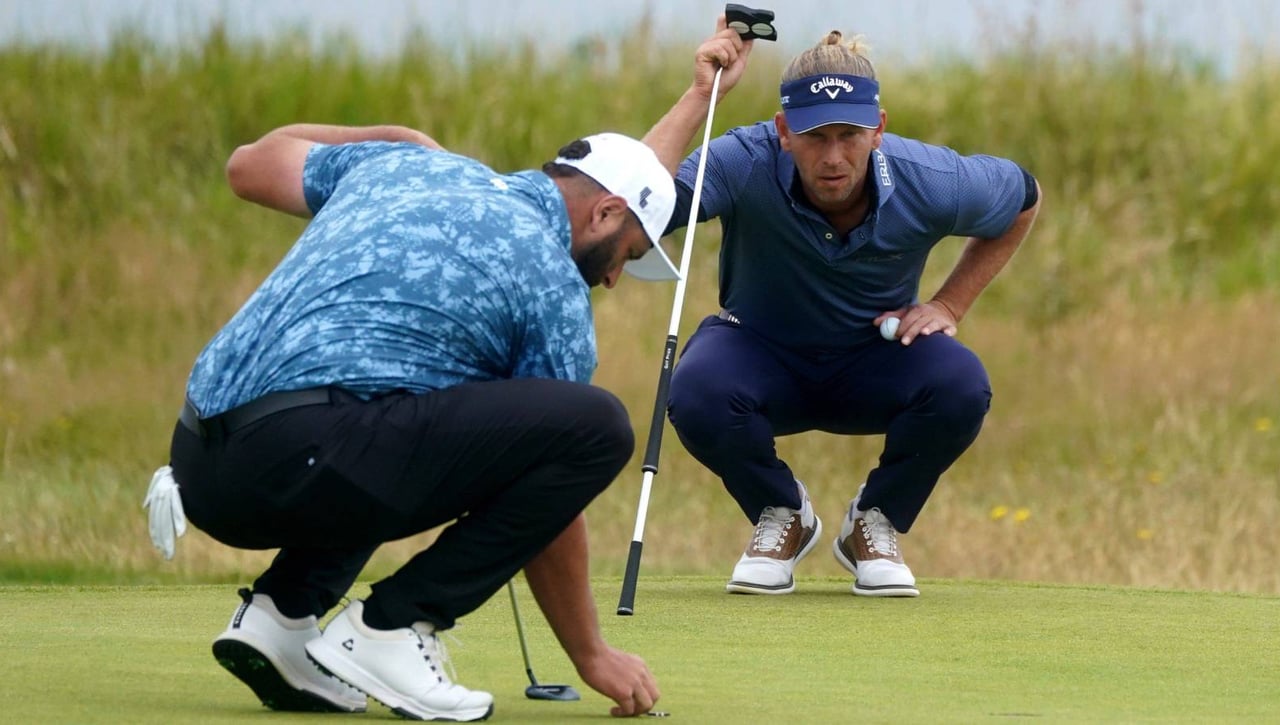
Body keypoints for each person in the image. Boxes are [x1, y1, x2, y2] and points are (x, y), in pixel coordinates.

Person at [140, 116, 728, 718]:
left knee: (401, 399)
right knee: (597, 426)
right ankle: (392, 627)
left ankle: (282, 618)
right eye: (626, 255)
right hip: (301, 462)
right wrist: (591, 654)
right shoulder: (555, 288)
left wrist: (392, 136)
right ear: (603, 213)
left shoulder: (403, 165)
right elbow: (552, 492)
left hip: (197, 464)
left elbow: (249, 165)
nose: (612, 277)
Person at [642, 29, 1042, 598]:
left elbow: (1024, 199)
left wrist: (950, 304)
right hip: (760, 354)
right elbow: (642, 205)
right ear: (784, 133)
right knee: (697, 389)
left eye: (850, 135)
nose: (833, 157)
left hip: (874, 360)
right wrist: (699, 98)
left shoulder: (930, 179)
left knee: (961, 383)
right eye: (813, 137)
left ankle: (873, 524)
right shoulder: (742, 160)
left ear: (877, 129)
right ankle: (782, 513)